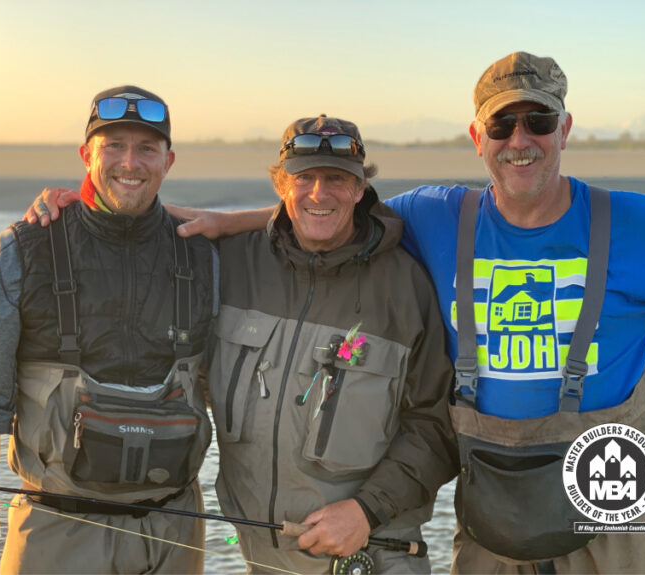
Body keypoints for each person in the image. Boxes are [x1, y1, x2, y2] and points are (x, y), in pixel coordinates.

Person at [103, 53, 645, 573]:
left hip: (615, 495)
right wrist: (96, 205)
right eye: (502, 123)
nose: (519, 140)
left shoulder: (637, 224)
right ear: (478, 137)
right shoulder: (436, 216)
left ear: (565, 128)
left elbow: (331, 206)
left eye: (538, 120)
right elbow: (327, 213)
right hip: (492, 506)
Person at [26, 115, 458, 574]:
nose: (319, 192)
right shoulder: (228, 261)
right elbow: (128, 236)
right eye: (303, 177)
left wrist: (366, 510)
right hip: (261, 559)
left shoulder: (408, 286)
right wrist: (72, 208)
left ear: (359, 190)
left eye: (336, 178)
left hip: (372, 553)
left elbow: (437, 427)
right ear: (280, 185)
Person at [0, 86, 216, 574]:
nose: (130, 162)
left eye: (147, 149)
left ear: (168, 161)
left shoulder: (205, 255)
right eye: (113, 145)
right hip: (53, 529)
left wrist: (234, 219)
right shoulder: (20, 251)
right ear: (86, 154)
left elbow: (306, 225)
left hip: (176, 528)